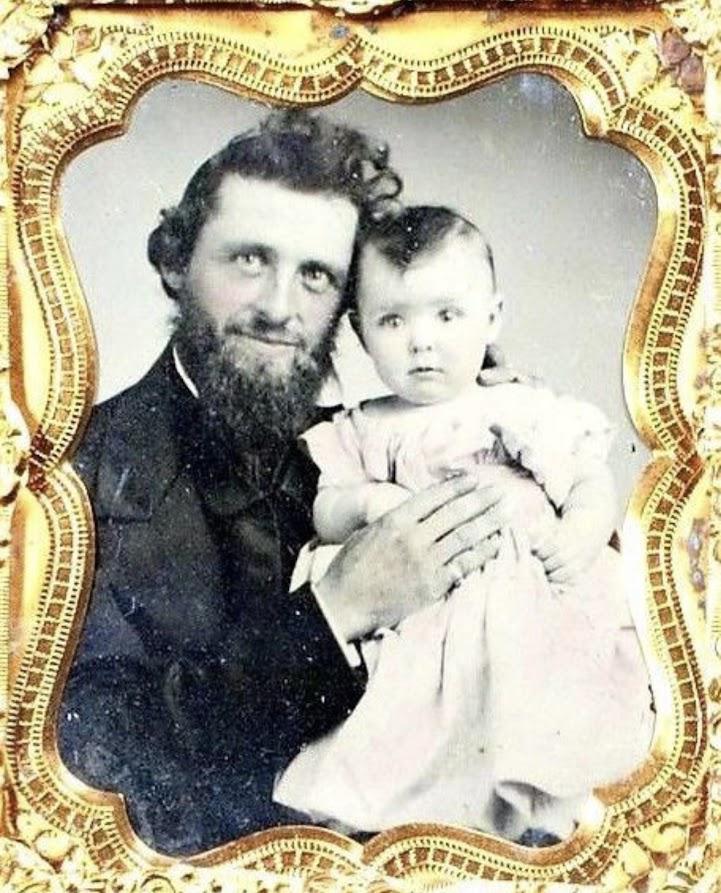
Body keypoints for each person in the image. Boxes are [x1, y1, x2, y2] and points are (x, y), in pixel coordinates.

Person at [59, 116, 508, 855]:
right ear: (175, 261)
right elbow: (84, 763)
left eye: (315, 275)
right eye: (247, 259)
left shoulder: (377, 449)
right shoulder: (64, 474)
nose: (279, 307)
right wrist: (338, 609)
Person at [274, 206, 653, 841]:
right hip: (419, 608)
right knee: (419, 730)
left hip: (524, 592)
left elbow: (588, 481)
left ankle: (537, 810)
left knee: (541, 702)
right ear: (362, 335)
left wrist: (581, 534)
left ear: (491, 318)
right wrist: (368, 503)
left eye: (447, 316)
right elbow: (322, 506)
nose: (422, 341)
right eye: (394, 321)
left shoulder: (516, 406)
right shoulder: (360, 427)